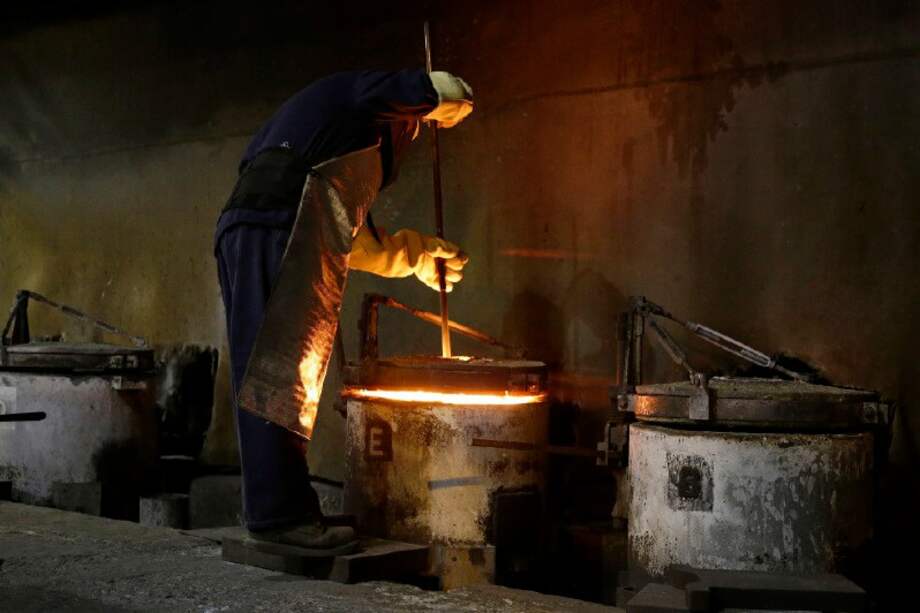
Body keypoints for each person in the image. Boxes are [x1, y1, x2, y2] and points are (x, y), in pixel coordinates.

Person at [214, 69, 473, 553]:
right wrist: (441, 95)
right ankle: (281, 517)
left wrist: (416, 256)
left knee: (270, 373)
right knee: (282, 375)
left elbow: (355, 236)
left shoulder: (322, 135)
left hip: (254, 227)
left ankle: (280, 509)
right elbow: (414, 91)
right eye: (416, 128)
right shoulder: (361, 100)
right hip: (282, 226)